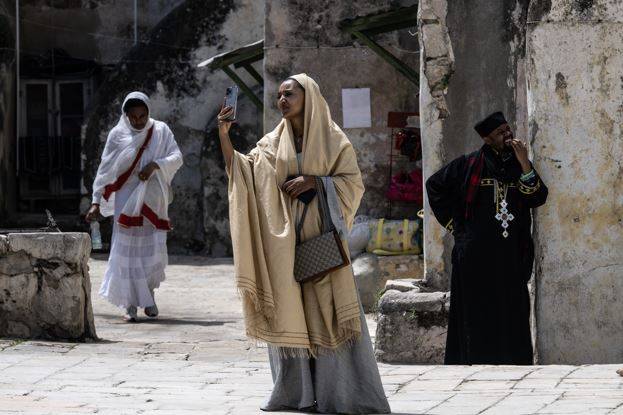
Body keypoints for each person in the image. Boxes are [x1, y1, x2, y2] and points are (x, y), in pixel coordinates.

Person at [218, 74, 390, 414]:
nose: (282, 100)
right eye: (279, 95)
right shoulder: (270, 143)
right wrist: (224, 136)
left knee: (326, 313)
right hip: (284, 248)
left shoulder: (333, 139)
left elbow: (352, 185)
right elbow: (243, 173)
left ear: (308, 96)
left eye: (289, 94)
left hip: (322, 244)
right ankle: (294, 394)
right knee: (289, 310)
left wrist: (316, 183)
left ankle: (340, 395)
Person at [426, 111, 548, 365]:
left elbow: (537, 197)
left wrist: (525, 163)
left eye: (508, 130)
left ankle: (513, 362)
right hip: (475, 256)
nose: (507, 135)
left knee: (511, 308)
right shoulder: (468, 165)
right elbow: (434, 185)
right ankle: (474, 360)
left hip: (511, 254)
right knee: (476, 310)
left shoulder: (519, 164)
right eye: (500, 132)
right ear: (486, 138)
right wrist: (456, 226)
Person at [85, 92, 183, 322]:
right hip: (126, 199)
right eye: (134, 117)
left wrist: (155, 165)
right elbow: (105, 169)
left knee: (151, 252)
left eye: (143, 116)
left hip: (153, 198)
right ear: (126, 116)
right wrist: (96, 201)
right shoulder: (117, 135)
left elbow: (176, 156)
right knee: (126, 252)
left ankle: (148, 297)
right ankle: (129, 304)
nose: (139, 121)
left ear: (149, 112)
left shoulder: (161, 131)